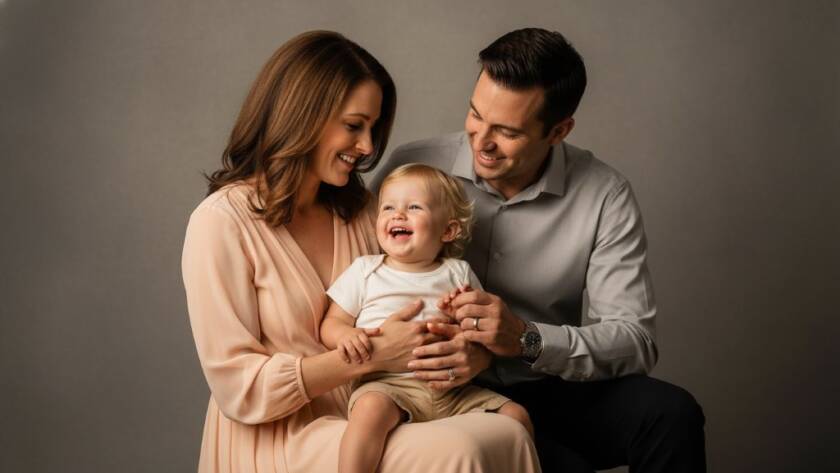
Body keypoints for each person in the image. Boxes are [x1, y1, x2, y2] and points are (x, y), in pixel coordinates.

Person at [181, 31, 540, 473]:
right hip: (276, 435)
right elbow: (238, 388)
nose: (369, 148)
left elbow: (423, 311)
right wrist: (371, 356)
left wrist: (470, 357)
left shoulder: (363, 214)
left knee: (508, 432)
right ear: (301, 116)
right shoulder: (221, 222)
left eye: (373, 129)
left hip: (375, 415)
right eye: (354, 126)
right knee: (457, 449)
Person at [370, 28, 707, 473]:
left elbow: (634, 340)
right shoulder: (414, 166)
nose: (481, 142)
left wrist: (526, 339)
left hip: (548, 381)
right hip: (444, 392)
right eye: (475, 115)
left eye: (507, 132)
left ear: (558, 131)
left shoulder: (604, 194)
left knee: (672, 414)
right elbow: (359, 274)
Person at [320, 164, 533, 473]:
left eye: (414, 207)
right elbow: (331, 323)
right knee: (368, 411)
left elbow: (480, 331)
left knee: (517, 415)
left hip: (453, 390)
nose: (398, 214)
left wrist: (461, 320)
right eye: (388, 207)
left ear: (448, 230)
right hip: (388, 386)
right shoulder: (365, 270)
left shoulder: (458, 273)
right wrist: (346, 336)